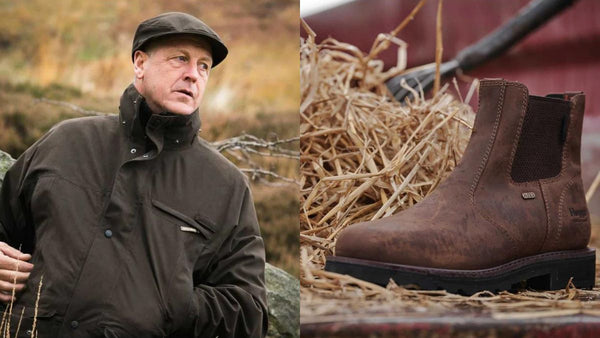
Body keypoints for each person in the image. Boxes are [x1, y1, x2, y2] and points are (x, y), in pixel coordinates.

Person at [0, 12, 267, 337]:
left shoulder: (227, 187)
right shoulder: (66, 142)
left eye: (203, 66)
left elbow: (248, 311)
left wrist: (170, 302)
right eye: (180, 59)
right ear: (140, 63)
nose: (193, 75)